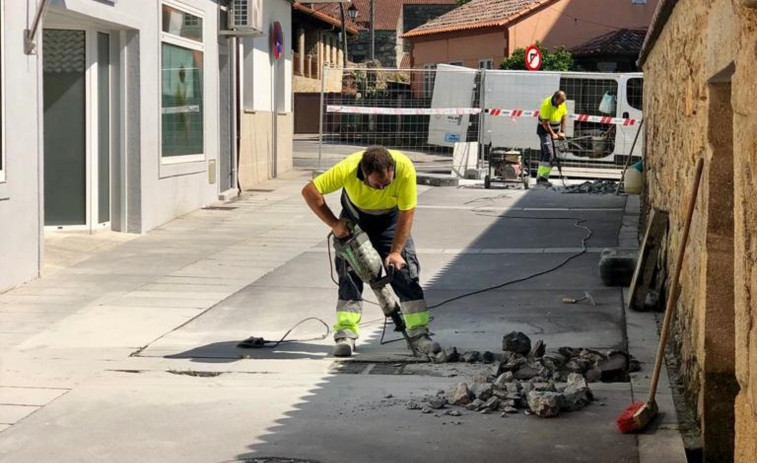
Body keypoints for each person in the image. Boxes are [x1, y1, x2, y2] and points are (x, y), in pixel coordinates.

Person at [302, 146, 440, 357]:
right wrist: (335, 224)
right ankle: (346, 333)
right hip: (355, 219)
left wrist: (395, 252)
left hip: (391, 221)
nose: (383, 187)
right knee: (349, 274)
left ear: (392, 169)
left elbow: (407, 212)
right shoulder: (348, 167)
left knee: (404, 271)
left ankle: (419, 334)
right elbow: (310, 191)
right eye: (377, 184)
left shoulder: (404, 168)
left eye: (387, 183)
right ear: (363, 174)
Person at [536, 91, 568, 187]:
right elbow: (545, 123)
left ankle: (540, 177)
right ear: (555, 99)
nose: (562, 103)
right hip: (544, 131)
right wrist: (553, 134)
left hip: (555, 130)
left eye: (563, 101)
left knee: (544, 153)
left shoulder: (561, 103)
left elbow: (564, 118)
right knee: (549, 153)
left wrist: (562, 131)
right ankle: (543, 178)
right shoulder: (546, 104)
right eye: (561, 101)